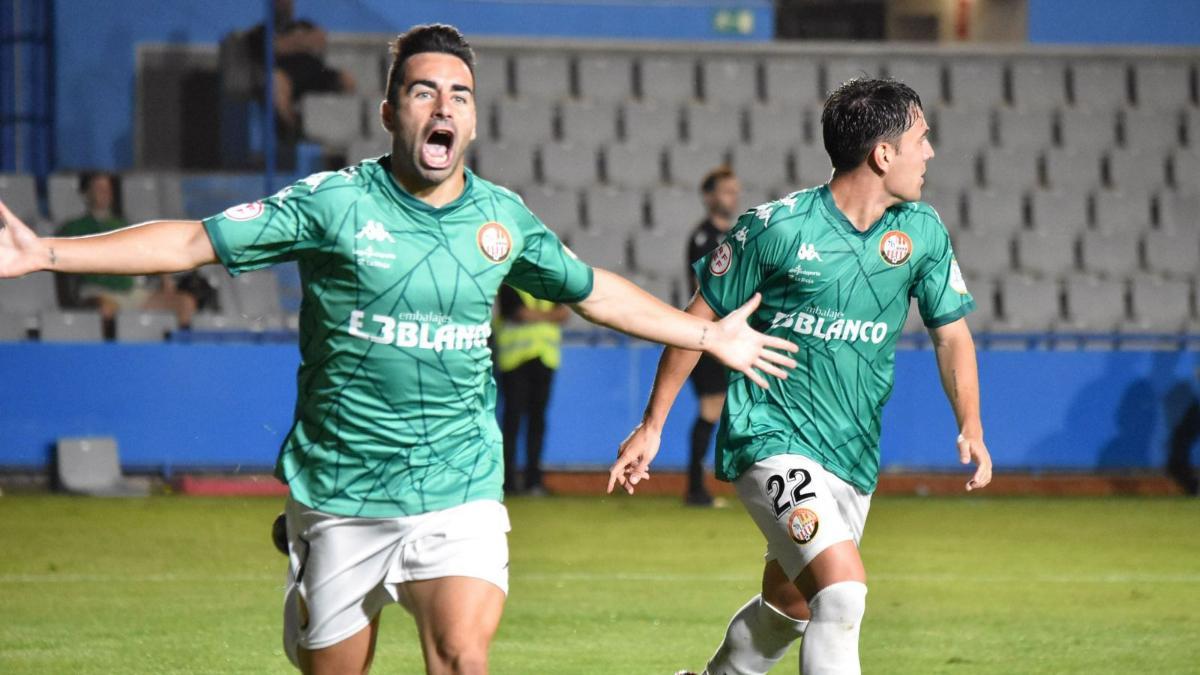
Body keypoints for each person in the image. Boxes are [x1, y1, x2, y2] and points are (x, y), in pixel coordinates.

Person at [0, 24, 797, 675]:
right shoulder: (334, 203)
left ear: (473, 121)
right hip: (341, 487)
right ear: (390, 113)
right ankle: (305, 573)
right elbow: (190, 240)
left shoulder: (502, 219)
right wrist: (47, 255)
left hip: (457, 485)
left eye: (459, 94)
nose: (442, 106)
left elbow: (591, 289)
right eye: (423, 91)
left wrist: (707, 331)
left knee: (459, 655)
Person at [609, 78, 993, 674]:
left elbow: (951, 334)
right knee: (841, 595)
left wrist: (970, 422)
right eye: (922, 137)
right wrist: (653, 424)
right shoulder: (777, 229)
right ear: (883, 153)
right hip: (769, 437)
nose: (931, 151)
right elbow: (697, 321)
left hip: (851, 452)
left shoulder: (922, 232)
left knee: (789, 608)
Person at [55, 172, 197, 334]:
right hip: (98, 291)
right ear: (86, 193)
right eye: (99, 188)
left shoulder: (123, 224)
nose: (106, 193)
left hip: (131, 292)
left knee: (184, 303)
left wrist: (165, 278)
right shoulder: (73, 228)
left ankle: (177, 353)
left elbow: (148, 251)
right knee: (106, 310)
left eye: (108, 188)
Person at [683, 165, 742, 506]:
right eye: (726, 190)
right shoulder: (702, 238)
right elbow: (702, 290)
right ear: (709, 196)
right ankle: (695, 488)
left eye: (735, 191)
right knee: (711, 405)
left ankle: (700, 485)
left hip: (729, 333)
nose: (732, 197)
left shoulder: (736, 235)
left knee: (719, 407)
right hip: (708, 334)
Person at [494, 284, 569, 495]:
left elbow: (564, 313)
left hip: (545, 359)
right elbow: (518, 313)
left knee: (536, 422)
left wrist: (534, 315)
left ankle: (533, 481)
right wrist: (549, 316)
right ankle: (508, 483)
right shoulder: (510, 282)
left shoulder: (550, 284)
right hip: (514, 362)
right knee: (512, 422)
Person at [244, 0, 356, 138]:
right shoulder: (260, 32)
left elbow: (319, 39)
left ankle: (350, 130)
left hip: (315, 73)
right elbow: (276, 47)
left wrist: (290, 42)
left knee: (347, 79)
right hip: (289, 77)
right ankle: (294, 133)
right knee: (276, 82)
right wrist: (301, 41)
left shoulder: (304, 24)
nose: (285, 4)